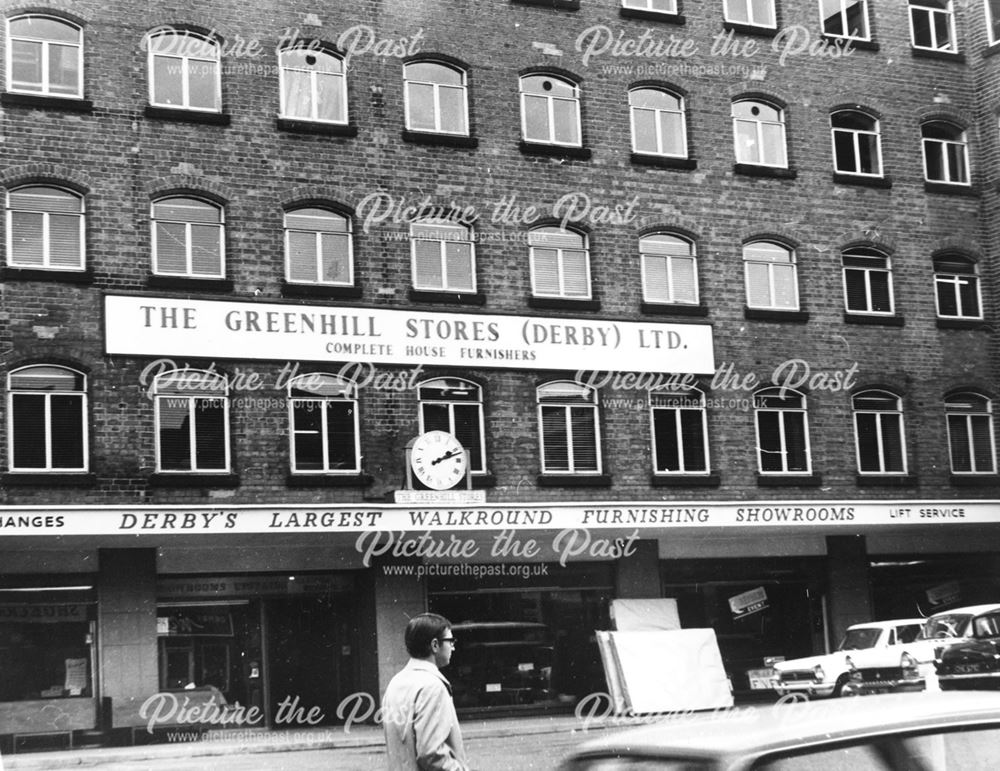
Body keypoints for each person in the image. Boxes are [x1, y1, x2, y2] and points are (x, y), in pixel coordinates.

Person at [382, 612, 469, 770]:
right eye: (450, 641)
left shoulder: (395, 683)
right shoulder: (432, 686)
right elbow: (431, 754)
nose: (453, 647)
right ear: (435, 645)